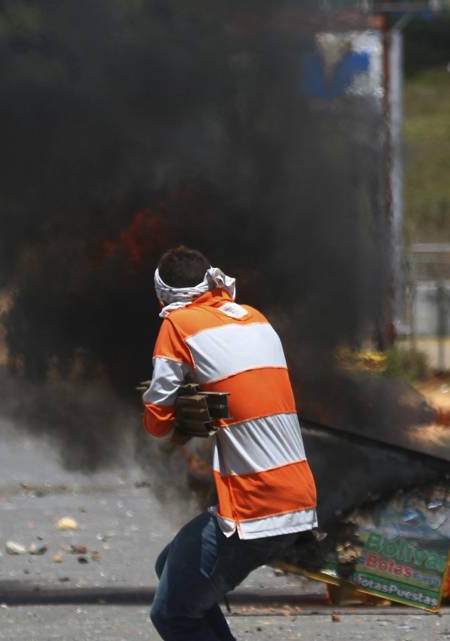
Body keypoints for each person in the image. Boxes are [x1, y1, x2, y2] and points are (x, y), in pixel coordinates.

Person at [141, 246, 318, 641]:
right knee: (169, 564)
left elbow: (157, 414)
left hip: (254, 505)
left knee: (172, 614)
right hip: (298, 495)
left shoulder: (178, 322)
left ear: (163, 296)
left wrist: (174, 425)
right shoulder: (254, 317)